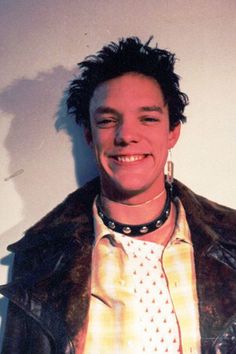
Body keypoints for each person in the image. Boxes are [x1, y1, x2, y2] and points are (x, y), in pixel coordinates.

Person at [1, 37, 236, 354]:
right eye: (108, 120)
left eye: (148, 118)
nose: (126, 135)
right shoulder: (40, 257)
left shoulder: (231, 240)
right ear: (90, 136)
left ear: (172, 132)